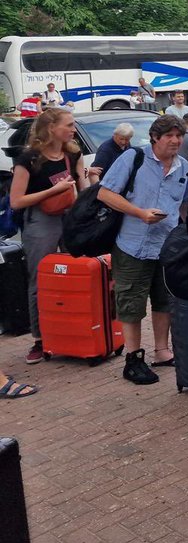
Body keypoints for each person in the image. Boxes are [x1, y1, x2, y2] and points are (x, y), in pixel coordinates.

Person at [98, 115, 188, 384]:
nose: (175, 141)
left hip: (166, 246)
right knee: (131, 304)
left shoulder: (183, 167)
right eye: (169, 136)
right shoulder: (133, 158)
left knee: (164, 300)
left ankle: (162, 351)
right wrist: (139, 212)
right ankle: (133, 359)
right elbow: (105, 193)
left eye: (179, 136)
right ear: (155, 137)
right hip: (132, 245)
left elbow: (184, 204)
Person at [8, 108, 87, 365]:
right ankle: (40, 339)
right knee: (40, 278)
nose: (73, 129)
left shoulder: (73, 153)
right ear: (51, 127)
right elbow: (17, 201)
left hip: (70, 218)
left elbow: (82, 190)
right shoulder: (29, 158)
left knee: (77, 274)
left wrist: (90, 182)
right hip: (41, 221)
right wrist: (53, 191)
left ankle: (73, 330)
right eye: (69, 124)